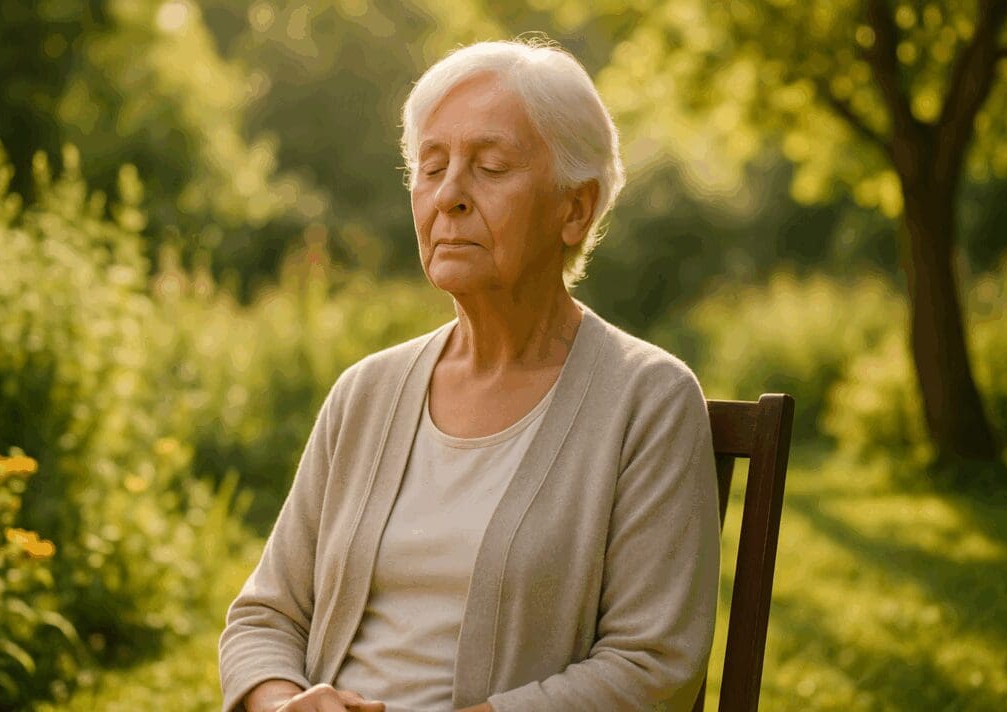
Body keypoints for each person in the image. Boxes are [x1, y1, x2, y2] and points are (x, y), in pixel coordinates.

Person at [219, 37, 721, 712]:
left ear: (574, 208)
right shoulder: (364, 393)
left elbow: (652, 665)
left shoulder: (648, 399)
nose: (449, 196)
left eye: (489, 167)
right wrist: (282, 704)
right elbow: (264, 617)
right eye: (431, 168)